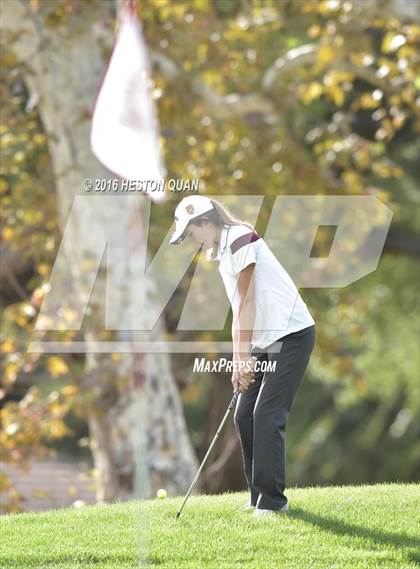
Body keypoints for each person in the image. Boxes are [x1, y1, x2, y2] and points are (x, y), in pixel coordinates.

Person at [170, 195, 316, 518]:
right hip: (264, 341)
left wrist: (245, 357)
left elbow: (248, 300)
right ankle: (258, 496)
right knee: (243, 413)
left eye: (191, 232)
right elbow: (238, 311)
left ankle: (274, 502)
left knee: (267, 414)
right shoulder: (222, 252)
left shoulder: (239, 238)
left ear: (205, 223)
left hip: (292, 334)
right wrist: (240, 360)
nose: (192, 239)